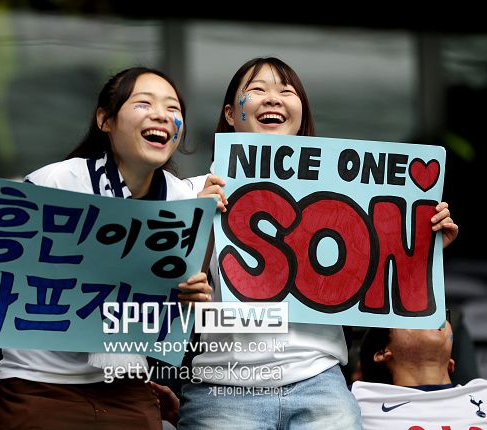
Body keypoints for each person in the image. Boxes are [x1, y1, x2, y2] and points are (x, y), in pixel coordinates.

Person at [177, 57, 459, 430]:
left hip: (319, 381)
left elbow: (370, 281)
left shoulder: (344, 192)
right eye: (257, 89)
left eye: (286, 91)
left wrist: (422, 249)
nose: (273, 98)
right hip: (222, 386)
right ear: (230, 114)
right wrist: (199, 220)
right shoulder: (192, 192)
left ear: (301, 114)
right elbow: (168, 292)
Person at [0, 66, 214, 430]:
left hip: (126, 386)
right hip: (37, 384)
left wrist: (195, 297)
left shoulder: (185, 201)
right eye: (144, 103)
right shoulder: (55, 182)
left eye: (173, 108)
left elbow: (174, 312)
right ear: (105, 120)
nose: (162, 114)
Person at [351, 322, 487, 429]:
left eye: (439, 312)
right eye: (407, 314)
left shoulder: (482, 392)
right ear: (382, 353)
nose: (430, 316)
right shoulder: (357, 398)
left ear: (450, 363)